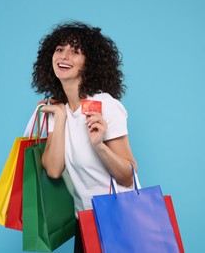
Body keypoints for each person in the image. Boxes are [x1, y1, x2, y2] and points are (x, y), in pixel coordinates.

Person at [31, 21, 137, 252]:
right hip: (85, 222)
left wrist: (100, 146)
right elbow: (53, 169)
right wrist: (60, 117)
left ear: (90, 64)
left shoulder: (106, 106)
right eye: (59, 49)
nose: (64, 56)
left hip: (117, 223)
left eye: (75, 51)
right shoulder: (58, 109)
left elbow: (128, 176)